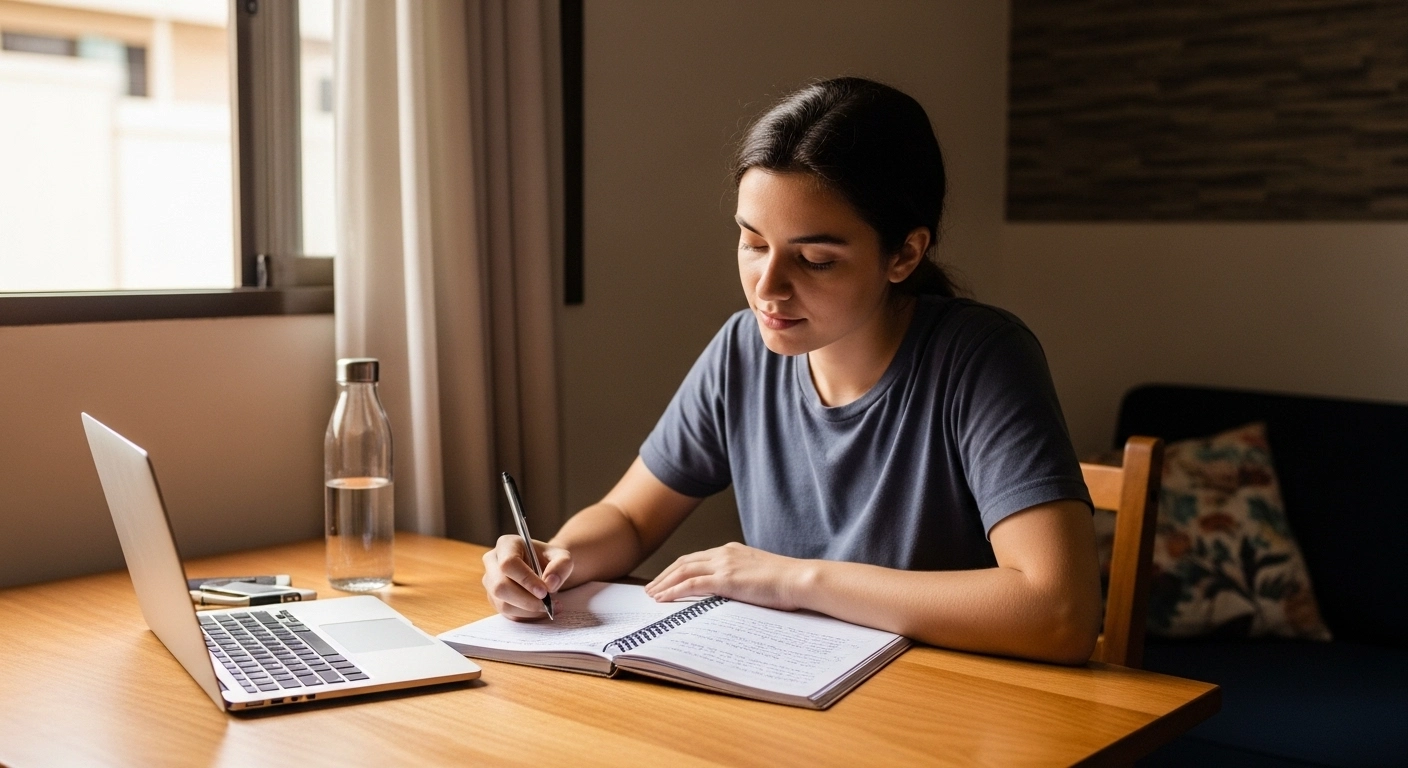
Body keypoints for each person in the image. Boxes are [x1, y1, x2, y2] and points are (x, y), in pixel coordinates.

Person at [482, 77, 1102, 664]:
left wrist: (792, 579)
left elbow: (1059, 612)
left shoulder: (979, 357)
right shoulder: (742, 351)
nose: (766, 288)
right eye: (753, 244)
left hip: (942, 709)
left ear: (905, 254)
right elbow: (630, 517)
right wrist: (556, 557)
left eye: (814, 258)